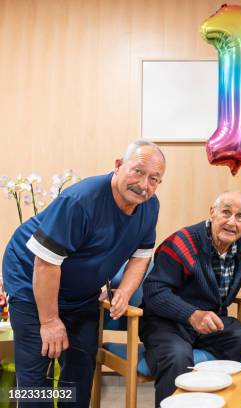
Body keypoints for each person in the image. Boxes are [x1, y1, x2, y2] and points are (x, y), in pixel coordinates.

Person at [2, 140, 165, 407]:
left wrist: (124, 290)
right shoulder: (80, 201)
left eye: (154, 179)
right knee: (35, 372)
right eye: (137, 171)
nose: (144, 184)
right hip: (31, 278)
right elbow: (45, 264)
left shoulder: (149, 206)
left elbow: (142, 255)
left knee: (80, 366)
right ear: (118, 166)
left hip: (79, 292)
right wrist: (50, 321)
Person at [141, 191, 241, 406]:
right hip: (168, 323)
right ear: (212, 213)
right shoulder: (182, 243)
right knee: (178, 357)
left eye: (240, 216)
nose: (231, 222)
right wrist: (191, 314)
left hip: (210, 323)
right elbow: (154, 291)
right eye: (226, 212)